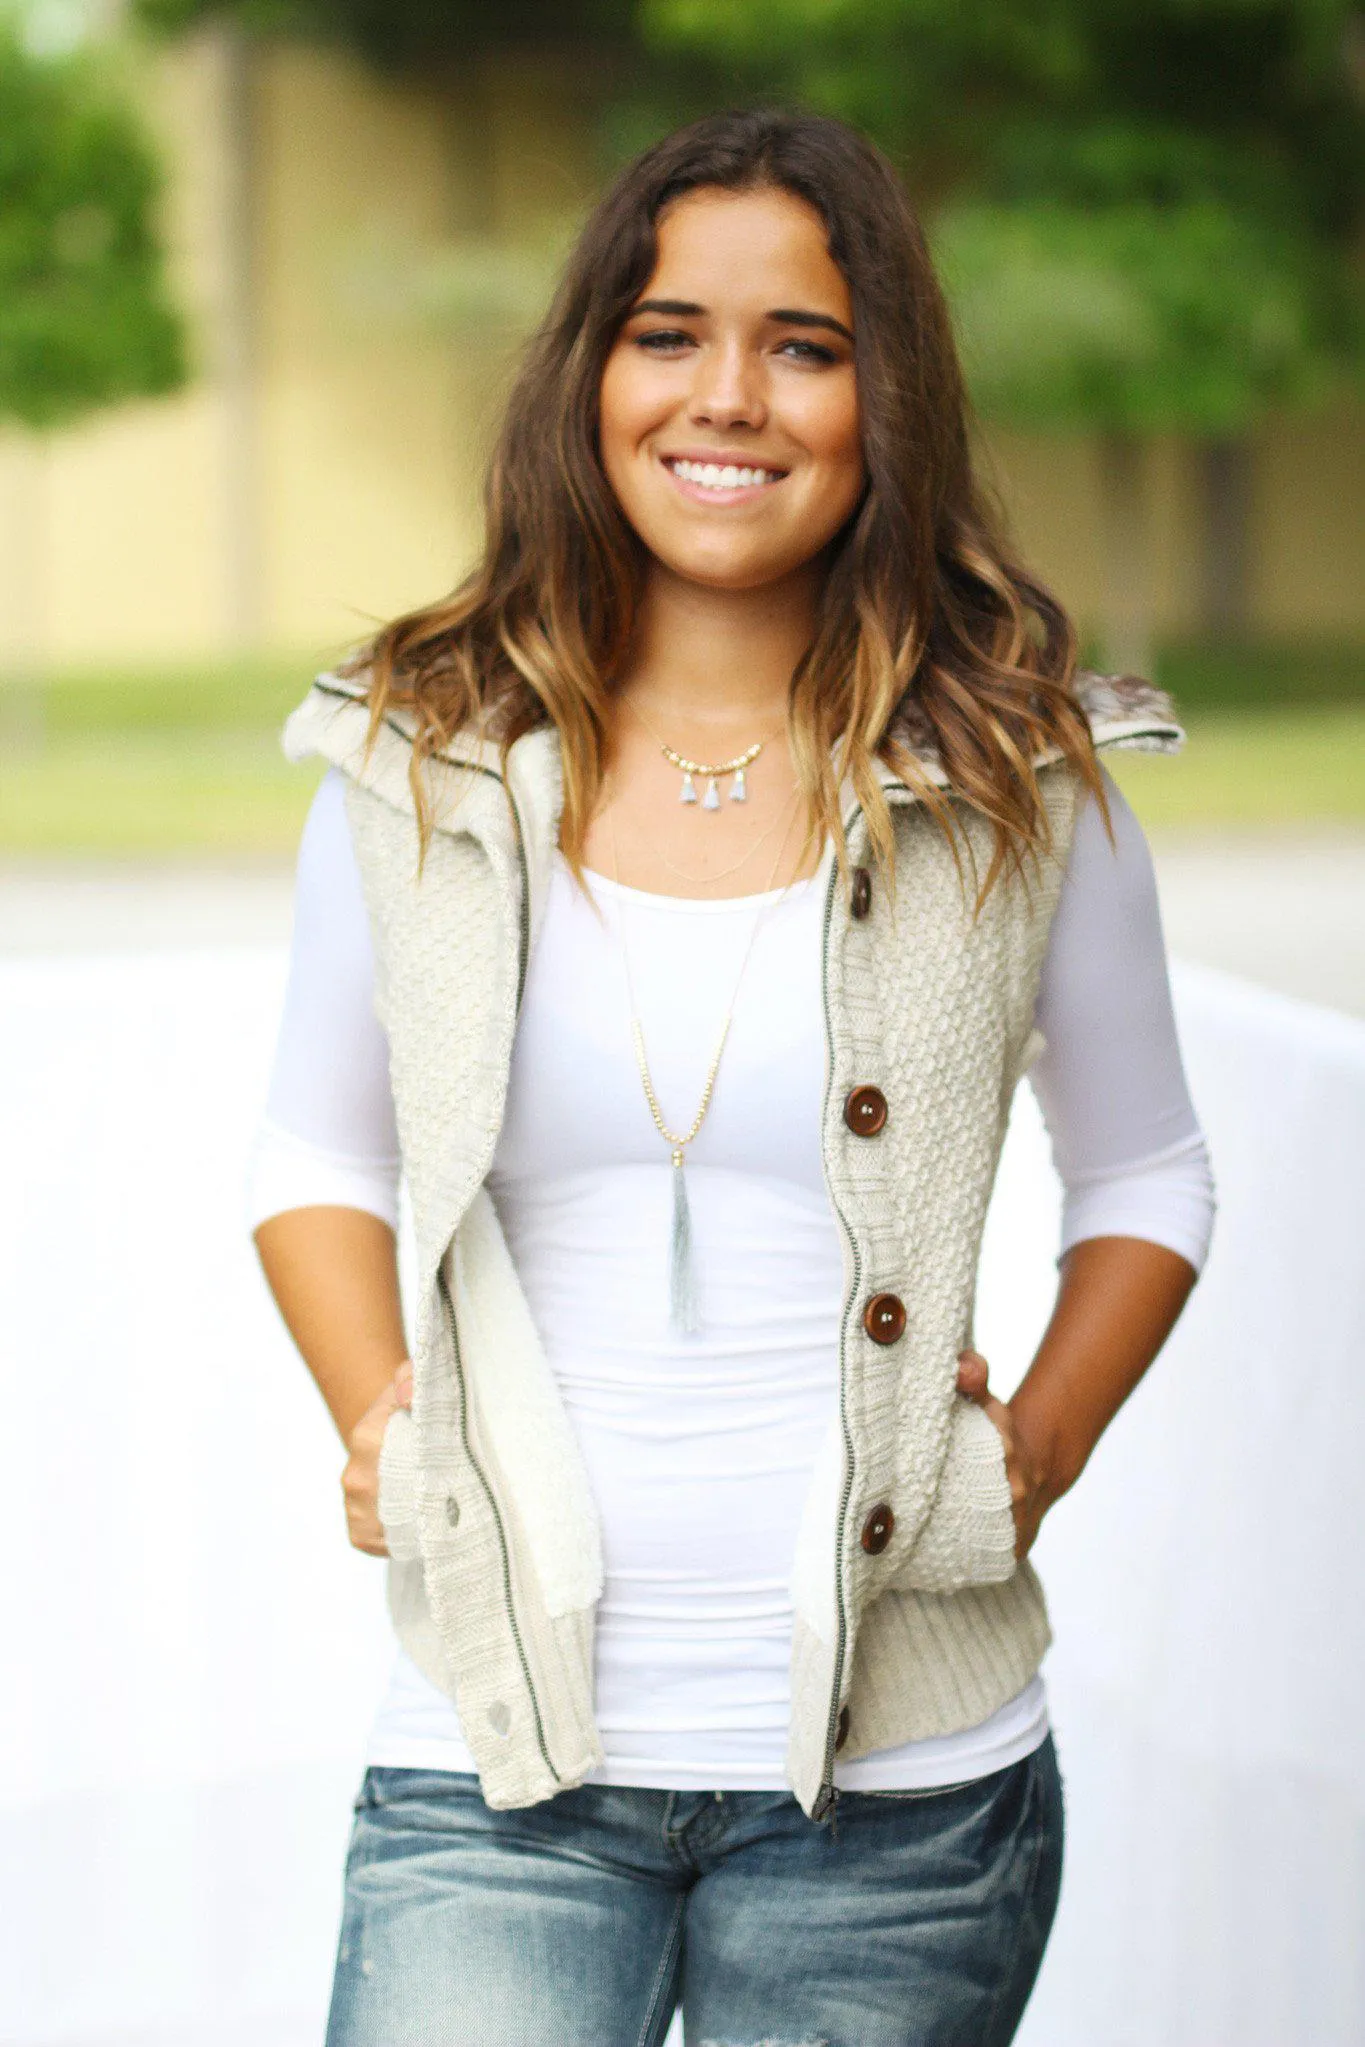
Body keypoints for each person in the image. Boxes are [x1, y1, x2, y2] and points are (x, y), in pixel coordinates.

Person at [250, 107, 1215, 2047]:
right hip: (491, 1765)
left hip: (905, 1810)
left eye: (805, 345)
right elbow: (311, 1152)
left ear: (886, 405)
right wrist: (374, 1411)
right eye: (670, 331)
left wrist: (1033, 1447)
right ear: (590, 373)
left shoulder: (1025, 781)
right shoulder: (418, 760)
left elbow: (1149, 1180)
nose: (731, 398)